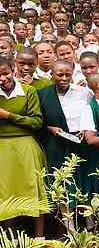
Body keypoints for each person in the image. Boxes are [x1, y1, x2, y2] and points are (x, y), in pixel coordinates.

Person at [0, 57, 48, 238]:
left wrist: (8, 116)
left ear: (13, 70)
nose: (2, 79)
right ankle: (11, 238)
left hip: (26, 146)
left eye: (5, 73)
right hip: (2, 147)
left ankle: (39, 237)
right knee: (5, 192)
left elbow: (36, 122)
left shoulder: (28, 91)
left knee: (34, 188)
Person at [37, 60, 91, 195]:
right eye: (60, 75)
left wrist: (85, 129)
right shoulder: (43, 94)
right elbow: (38, 120)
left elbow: (92, 115)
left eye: (68, 74)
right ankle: (62, 207)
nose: (64, 78)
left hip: (79, 142)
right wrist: (50, 128)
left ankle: (83, 206)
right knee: (59, 177)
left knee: (80, 176)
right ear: (52, 74)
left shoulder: (83, 92)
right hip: (55, 143)